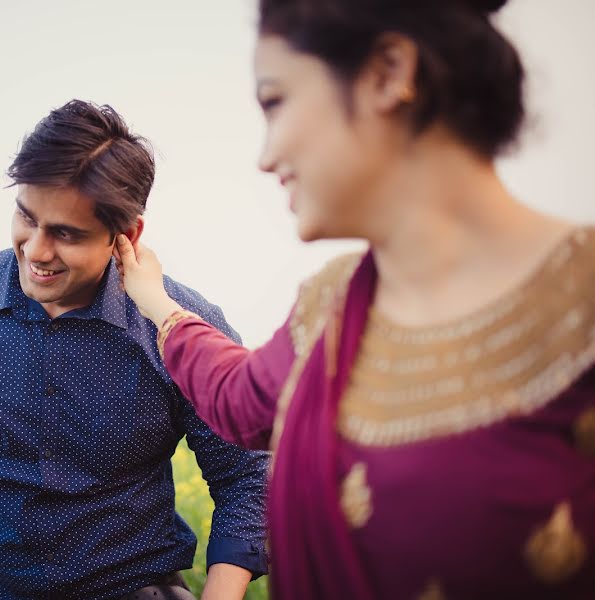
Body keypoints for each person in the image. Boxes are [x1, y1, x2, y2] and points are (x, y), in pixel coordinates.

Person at [114, 0, 595, 598]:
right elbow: (237, 399)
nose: (265, 157)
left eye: (275, 101)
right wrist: (154, 301)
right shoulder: (333, 307)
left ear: (389, 72)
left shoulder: (584, 299)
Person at [0, 99, 269, 600]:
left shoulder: (183, 329)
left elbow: (245, 479)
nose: (36, 250)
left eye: (66, 234)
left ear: (125, 235)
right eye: (26, 216)